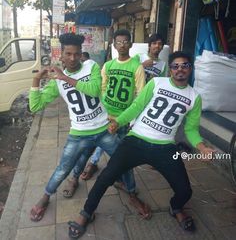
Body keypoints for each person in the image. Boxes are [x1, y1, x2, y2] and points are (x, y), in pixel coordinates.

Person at [68, 51, 216, 238]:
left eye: (184, 65)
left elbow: (191, 129)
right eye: (175, 66)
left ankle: (176, 207)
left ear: (190, 69)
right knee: (106, 176)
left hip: (165, 147)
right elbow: (137, 106)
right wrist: (118, 122)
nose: (180, 69)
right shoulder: (156, 83)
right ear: (170, 69)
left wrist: (201, 147)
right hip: (136, 140)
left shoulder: (195, 97)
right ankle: (86, 213)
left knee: (185, 190)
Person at [29, 33, 146, 222]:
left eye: (76, 54)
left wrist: (64, 78)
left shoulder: (91, 67)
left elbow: (93, 90)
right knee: (63, 168)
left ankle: (132, 193)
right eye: (68, 54)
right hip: (79, 133)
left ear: (81, 53)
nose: (73, 58)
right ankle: (46, 196)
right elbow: (35, 106)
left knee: (124, 161)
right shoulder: (57, 80)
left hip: (103, 128)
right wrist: (37, 80)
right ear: (62, 56)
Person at [78, 29, 146, 186]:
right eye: (119, 42)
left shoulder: (137, 67)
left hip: (122, 117)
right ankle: (92, 164)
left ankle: (117, 175)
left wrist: (131, 118)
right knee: (98, 143)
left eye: (125, 42)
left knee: (119, 149)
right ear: (114, 45)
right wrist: (102, 110)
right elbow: (101, 88)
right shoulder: (108, 65)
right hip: (105, 115)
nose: (122, 45)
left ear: (131, 44)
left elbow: (140, 95)